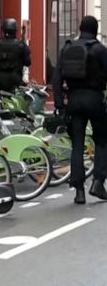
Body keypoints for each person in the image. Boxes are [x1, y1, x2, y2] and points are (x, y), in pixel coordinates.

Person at [53, 15, 107, 204]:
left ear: (79, 28)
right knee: (102, 140)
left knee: (77, 144)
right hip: (94, 99)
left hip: (74, 100)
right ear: (95, 29)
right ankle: (98, 182)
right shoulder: (100, 50)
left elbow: (57, 78)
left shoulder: (67, 48)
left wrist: (59, 105)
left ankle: (79, 191)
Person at [0, 18, 31, 92]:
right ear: (16, 30)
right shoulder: (21, 45)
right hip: (15, 80)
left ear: (3, 30)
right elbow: (28, 62)